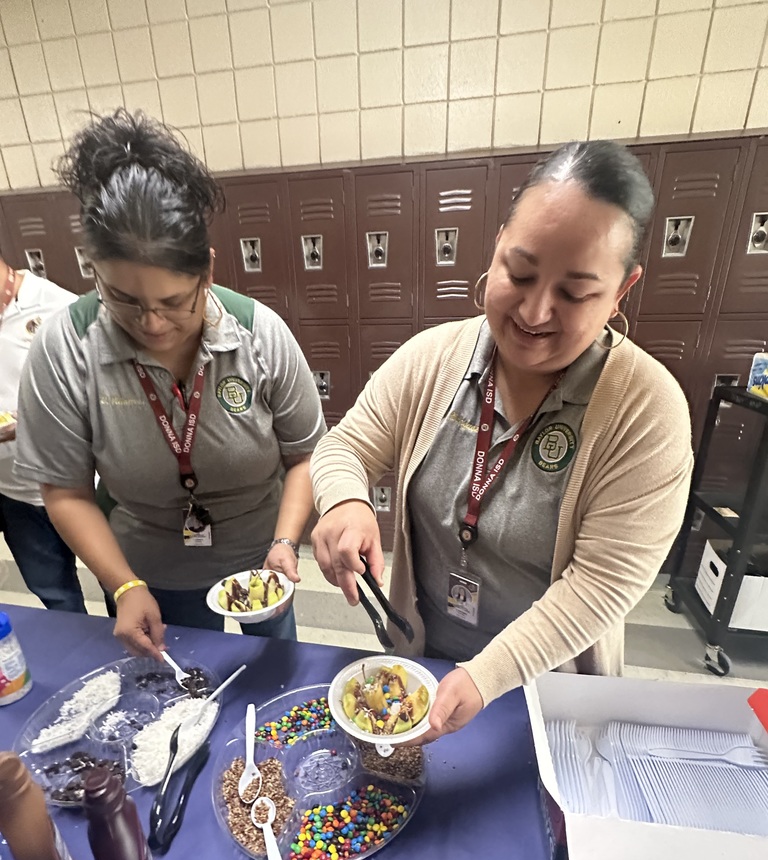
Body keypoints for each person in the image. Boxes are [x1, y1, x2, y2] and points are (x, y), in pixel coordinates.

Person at [311, 140, 693, 743]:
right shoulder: (434, 358)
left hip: (552, 693)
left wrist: (487, 676)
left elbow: (601, 587)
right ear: (496, 247)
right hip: (427, 664)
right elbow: (345, 446)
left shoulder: (646, 411)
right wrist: (345, 501)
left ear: (623, 290)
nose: (535, 311)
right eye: (520, 272)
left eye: (575, 292)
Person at [15, 110, 325, 657]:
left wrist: (285, 542)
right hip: (146, 567)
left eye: (174, 302)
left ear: (206, 269)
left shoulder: (257, 333)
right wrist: (124, 585)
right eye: (125, 301)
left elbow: (305, 456)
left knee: (273, 673)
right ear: (95, 273)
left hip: (262, 558)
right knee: (172, 689)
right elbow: (64, 490)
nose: (153, 324)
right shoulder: (66, 347)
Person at [0, 254, 86, 614]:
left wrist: (33, 421)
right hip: (13, 490)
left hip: (79, 483)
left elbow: (97, 394)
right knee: (56, 596)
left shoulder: (57, 307)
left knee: (122, 589)